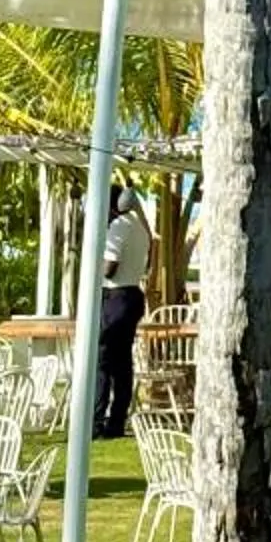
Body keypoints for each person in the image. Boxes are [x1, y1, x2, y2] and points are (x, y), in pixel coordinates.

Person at [94, 183, 153, 438]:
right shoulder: (140, 227)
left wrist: (92, 270)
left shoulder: (118, 227)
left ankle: (96, 420)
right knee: (122, 363)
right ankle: (116, 420)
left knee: (102, 360)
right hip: (132, 295)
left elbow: (110, 266)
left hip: (115, 295)